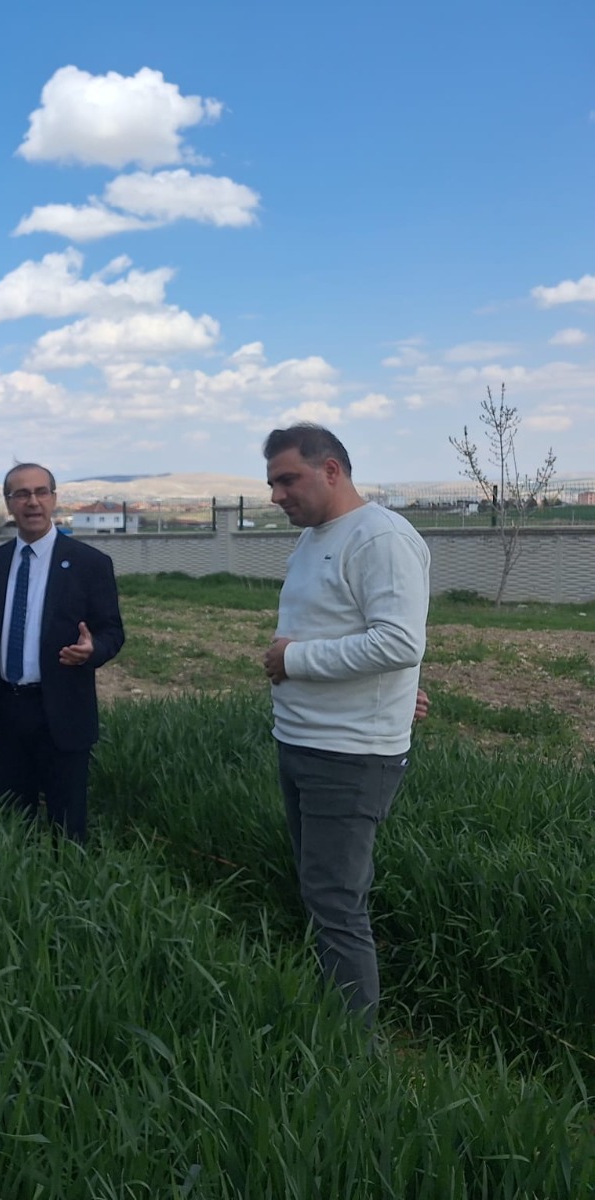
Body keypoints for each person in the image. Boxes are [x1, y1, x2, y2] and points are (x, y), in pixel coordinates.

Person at [262, 424, 430, 1028]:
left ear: (330, 469)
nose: (278, 495)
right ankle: (332, 1018)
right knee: (319, 893)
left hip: (349, 755)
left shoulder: (380, 536)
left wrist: (291, 659)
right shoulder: (315, 539)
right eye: (273, 483)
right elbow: (356, 632)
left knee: (337, 904)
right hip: (304, 740)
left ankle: (351, 1055)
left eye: (288, 479)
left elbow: (399, 641)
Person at [0, 463, 125, 843]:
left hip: (63, 710)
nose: (32, 502)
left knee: (68, 824)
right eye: (21, 494)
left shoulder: (90, 564)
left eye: (40, 492)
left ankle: (72, 889)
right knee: (16, 822)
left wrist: (92, 649)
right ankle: (22, 893)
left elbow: (112, 631)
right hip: (7, 712)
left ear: (53, 499)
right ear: (9, 503)